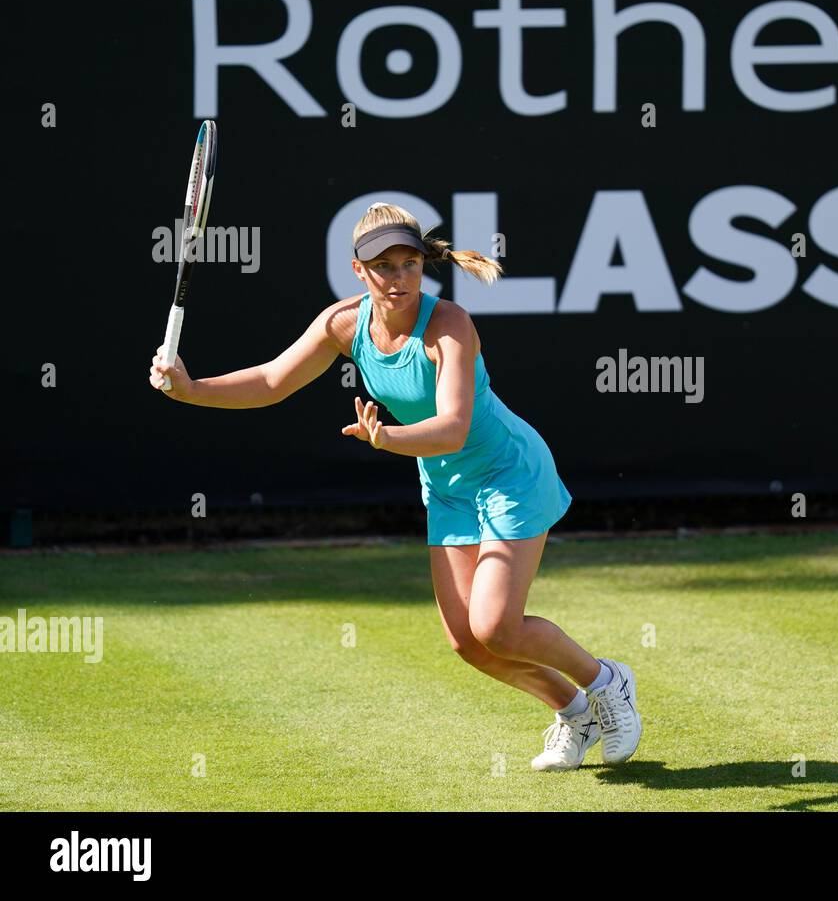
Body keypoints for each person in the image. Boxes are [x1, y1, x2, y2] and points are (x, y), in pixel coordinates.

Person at [149, 201, 642, 771]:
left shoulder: (450, 324)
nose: (399, 276)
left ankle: (609, 682)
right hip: (448, 485)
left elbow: (454, 427)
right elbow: (270, 381)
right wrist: (191, 388)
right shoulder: (343, 323)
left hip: (510, 474)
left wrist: (385, 439)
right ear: (359, 271)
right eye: (383, 265)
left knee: (496, 625)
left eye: (409, 263)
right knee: (468, 643)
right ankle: (574, 712)